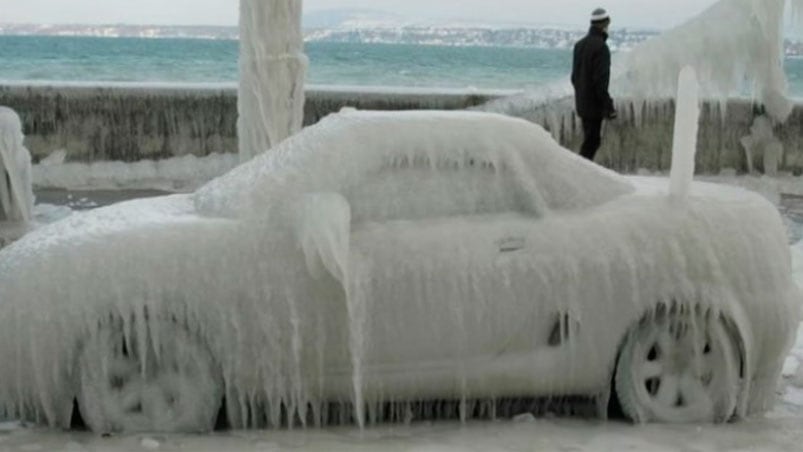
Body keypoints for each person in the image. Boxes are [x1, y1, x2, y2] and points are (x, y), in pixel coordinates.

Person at [571, 7, 617, 161]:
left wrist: (581, 93)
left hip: (582, 103)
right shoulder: (601, 48)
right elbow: (600, 82)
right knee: (592, 142)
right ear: (605, 25)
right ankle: (579, 173)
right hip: (594, 106)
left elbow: (574, 77)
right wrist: (608, 106)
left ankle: (580, 172)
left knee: (589, 140)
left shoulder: (579, 45)